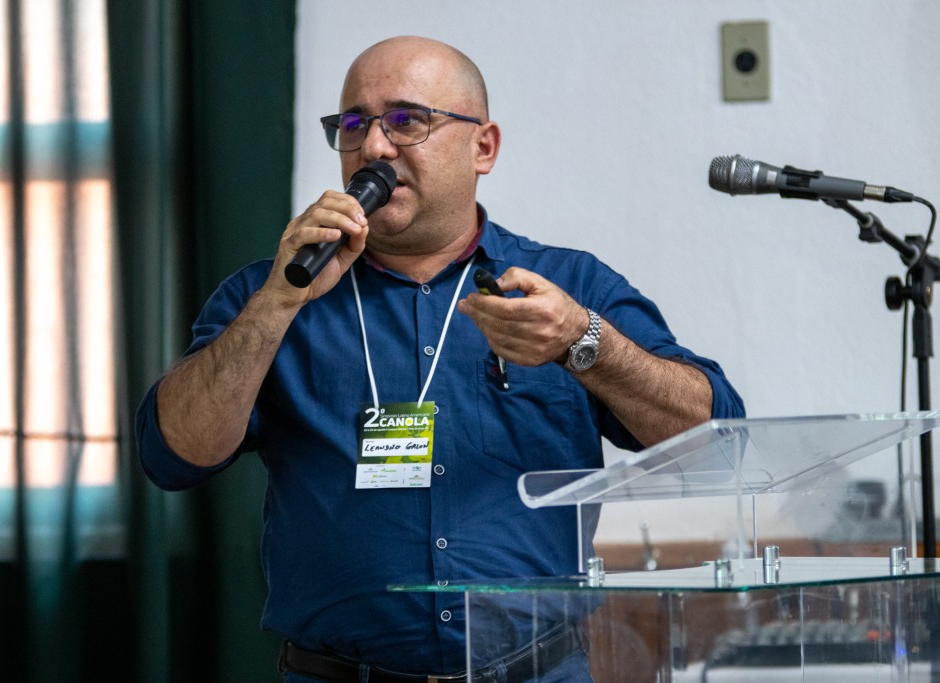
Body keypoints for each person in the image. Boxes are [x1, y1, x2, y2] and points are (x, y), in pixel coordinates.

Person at [136, 35, 745, 683]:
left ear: (483, 147)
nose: (374, 147)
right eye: (353, 125)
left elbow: (716, 439)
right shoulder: (272, 293)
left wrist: (584, 341)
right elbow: (172, 455)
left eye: (406, 121)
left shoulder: (567, 287)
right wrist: (279, 301)